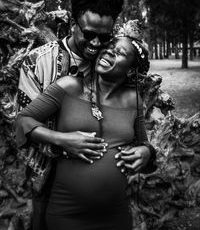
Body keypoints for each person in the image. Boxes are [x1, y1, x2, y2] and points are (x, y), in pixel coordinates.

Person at [14, 30, 156, 230]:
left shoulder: (133, 100)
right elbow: (22, 120)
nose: (108, 52)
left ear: (131, 70)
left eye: (119, 52)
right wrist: (62, 140)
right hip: (67, 212)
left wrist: (147, 152)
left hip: (115, 214)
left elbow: (144, 144)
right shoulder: (69, 86)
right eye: (108, 47)